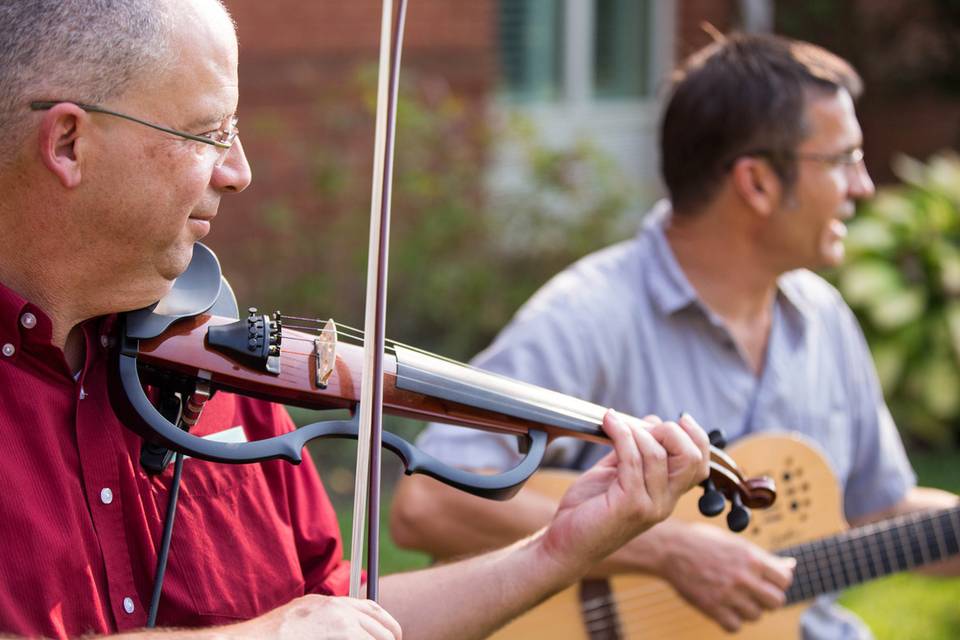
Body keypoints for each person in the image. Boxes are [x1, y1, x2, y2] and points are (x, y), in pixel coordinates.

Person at [0, 1, 713, 638]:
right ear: (69, 144)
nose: (238, 170)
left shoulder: (214, 365)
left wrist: (558, 549)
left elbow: (342, 614)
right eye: (208, 132)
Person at [390, 32, 960, 638]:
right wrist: (668, 553)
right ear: (758, 183)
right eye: (844, 159)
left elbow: (879, 509)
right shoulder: (587, 316)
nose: (863, 186)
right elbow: (428, 504)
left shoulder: (824, 316)